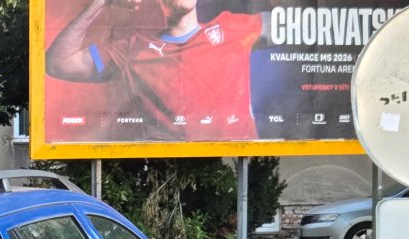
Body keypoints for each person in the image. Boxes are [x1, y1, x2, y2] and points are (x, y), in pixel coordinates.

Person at [47, 0, 268, 140]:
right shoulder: (133, 49)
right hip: (171, 167)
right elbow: (58, 63)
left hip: (234, 164)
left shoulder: (233, 27)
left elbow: (294, 21)